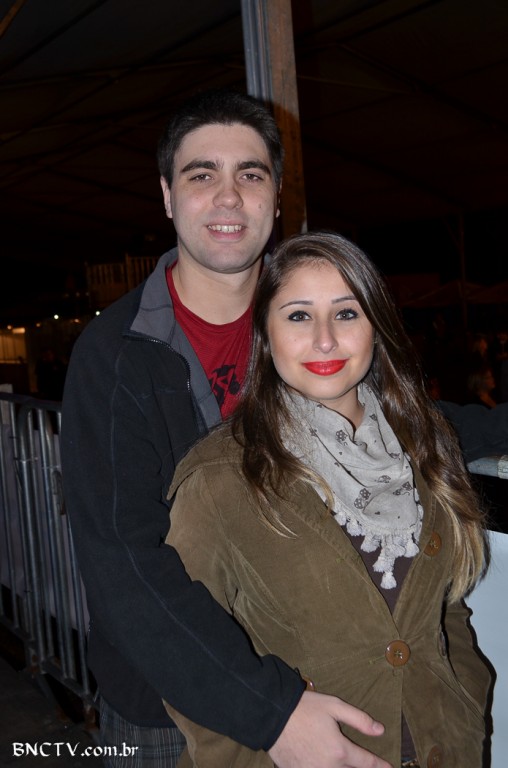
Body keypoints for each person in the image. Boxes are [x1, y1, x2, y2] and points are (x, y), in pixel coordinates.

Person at [60, 89, 389, 768]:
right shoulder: (116, 355)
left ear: (276, 197)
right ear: (167, 197)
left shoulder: (312, 324)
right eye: (201, 174)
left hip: (315, 677)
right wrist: (269, 711)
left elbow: (395, 424)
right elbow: (122, 563)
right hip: (169, 711)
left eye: (251, 174)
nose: (229, 196)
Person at [164, 231, 492, 767]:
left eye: (346, 313)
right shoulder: (220, 478)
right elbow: (184, 651)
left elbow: (446, 611)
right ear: (265, 334)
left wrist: (466, 709)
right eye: (298, 316)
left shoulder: (426, 445)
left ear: (375, 328)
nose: (324, 340)